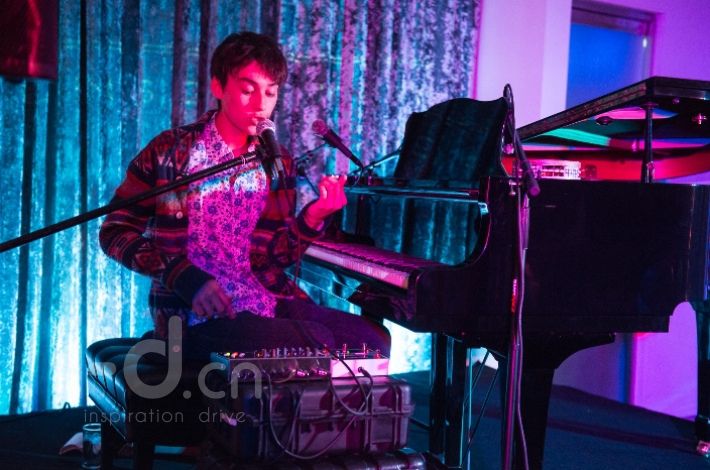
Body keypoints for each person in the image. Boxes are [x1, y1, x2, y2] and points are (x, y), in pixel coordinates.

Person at [99, 31, 390, 362]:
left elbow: (276, 257)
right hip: (193, 313)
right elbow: (115, 232)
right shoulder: (171, 151)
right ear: (218, 87)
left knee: (374, 340)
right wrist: (182, 275)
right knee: (318, 342)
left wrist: (315, 216)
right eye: (248, 90)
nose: (260, 104)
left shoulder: (277, 162)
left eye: (270, 92)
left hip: (261, 298)